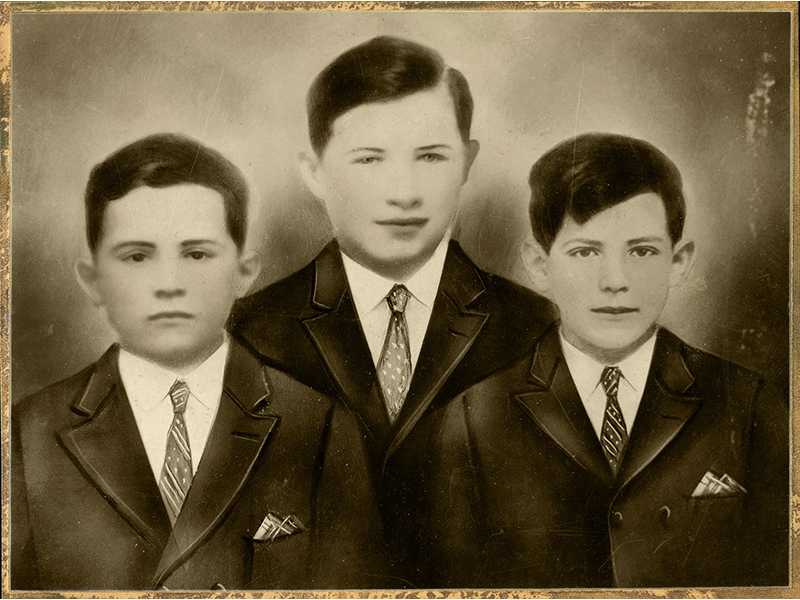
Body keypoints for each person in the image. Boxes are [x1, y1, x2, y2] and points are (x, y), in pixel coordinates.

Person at [389, 132, 789, 588]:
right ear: (539, 265)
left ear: (679, 261)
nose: (614, 281)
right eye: (585, 252)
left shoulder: (748, 404)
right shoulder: (471, 419)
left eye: (641, 251)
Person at [11, 133, 386, 590]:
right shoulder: (27, 434)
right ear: (92, 281)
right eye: (136, 256)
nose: (169, 283)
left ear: (244, 273)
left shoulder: (321, 425)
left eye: (196, 253)